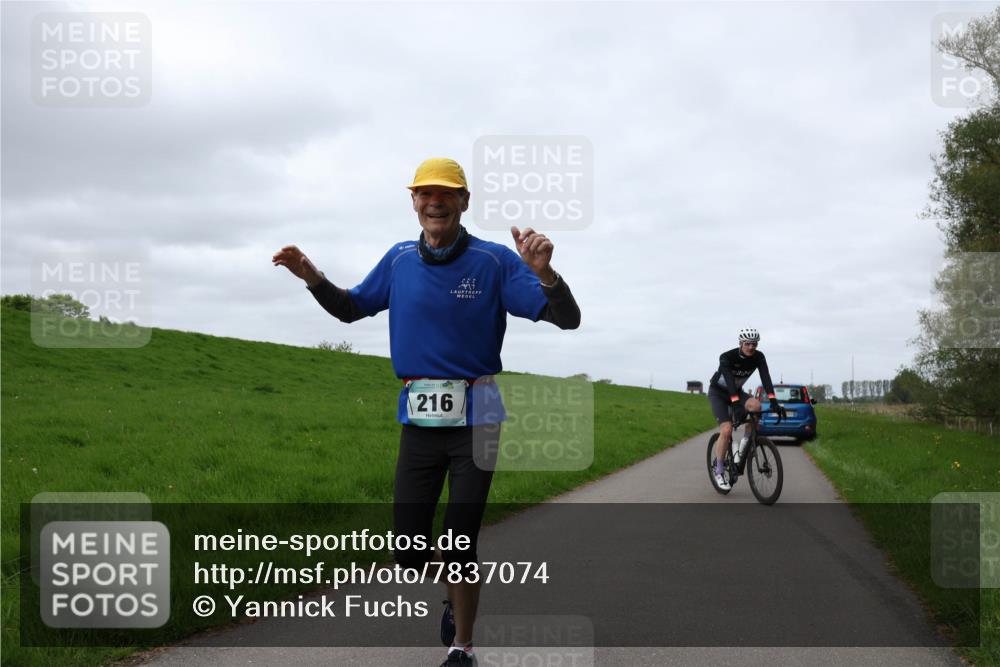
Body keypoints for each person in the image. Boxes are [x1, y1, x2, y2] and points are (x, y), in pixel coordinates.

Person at [272, 157, 580, 666]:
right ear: (413, 201)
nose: (434, 202)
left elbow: (566, 319)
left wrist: (546, 275)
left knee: (460, 543)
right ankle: (451, 595)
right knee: (410, 553)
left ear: (464, 202)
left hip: (477, 416)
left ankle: (463, 644)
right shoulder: (398, 260)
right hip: (418, 420)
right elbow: (352, 308)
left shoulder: (495, 260)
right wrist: (311, 275)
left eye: (446, 194)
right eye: (424, 194)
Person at [707, 328, 780, 491]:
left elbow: (765, 377)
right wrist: (735, 404)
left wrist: (773, 399)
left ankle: (745, 444)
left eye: (754, 344)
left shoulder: (758, 357)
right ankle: (719, 470)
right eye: (747, 344)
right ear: (740, 344)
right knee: (726, 430)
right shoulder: (727, 357)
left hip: (737, 392)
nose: (751, 347)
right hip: (719, 393)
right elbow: (730, 383)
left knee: (756, 406)